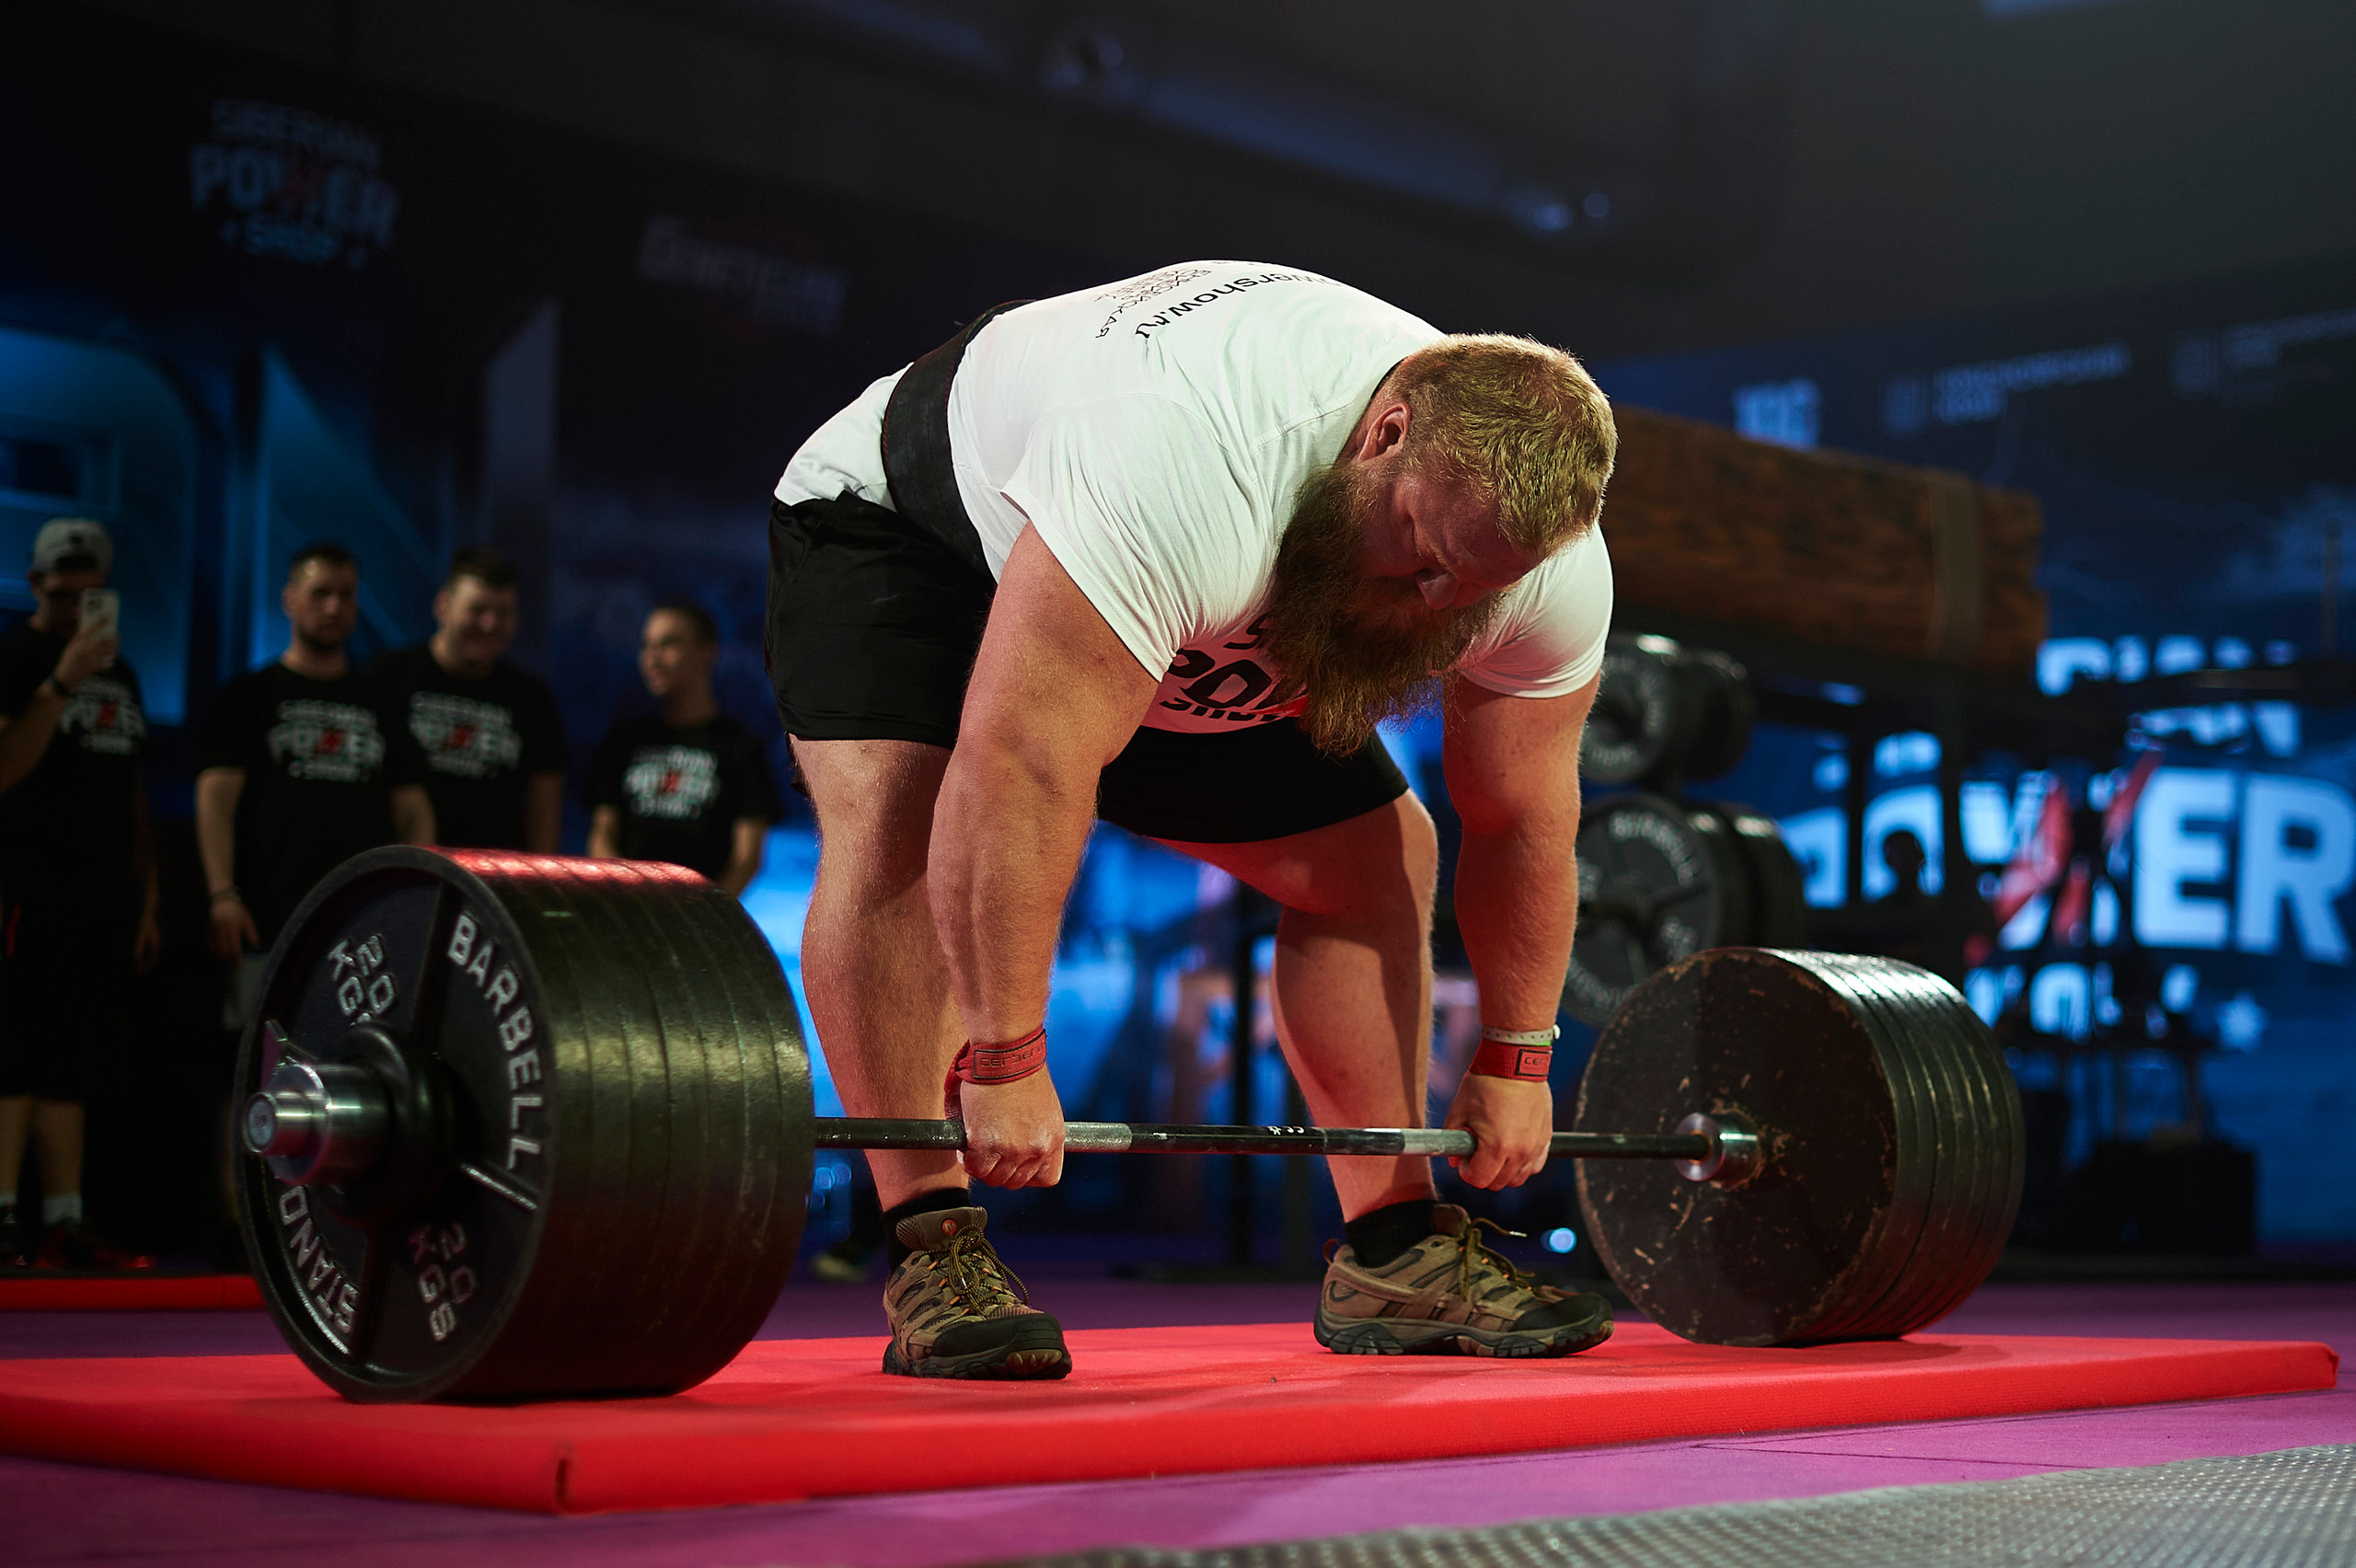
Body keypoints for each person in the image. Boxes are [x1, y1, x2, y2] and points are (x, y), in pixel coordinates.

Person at [768, 262, 1618, 1378]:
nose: (1439, 606)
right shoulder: (1189, 453)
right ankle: (931, 1243)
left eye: (1476, 588)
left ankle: (1397, 1253)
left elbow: (1517, 822)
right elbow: (1023, 762)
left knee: (1373, 857)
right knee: (901, 836)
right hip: (918, 529)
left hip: (1191, 605)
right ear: (1385, 434)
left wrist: (1516, 1055)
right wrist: (1005, 1053)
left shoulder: (1536, 572)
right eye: (1422, 558)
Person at [0, 519, 160, 1270]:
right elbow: (5, 768)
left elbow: (132, 789)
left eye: (93, 596)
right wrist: (61, 679)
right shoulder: (14, 654)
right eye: (65, 595)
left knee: (76, 1061)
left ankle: (65, 1224)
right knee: (15, 1057)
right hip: (25, 887)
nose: (78, 610)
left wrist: (149, 894)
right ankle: (4, 1219)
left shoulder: (122, 676)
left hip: (104, 896)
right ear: (34, 586)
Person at [197, 543, 435, 1019]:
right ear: (289, 599)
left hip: (366, 921)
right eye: (320, 593)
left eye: (345, 595)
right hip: (266, 915)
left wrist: (419, 899)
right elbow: (215, 800)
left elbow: (413, 810)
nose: (333, 607)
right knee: (256, 1063)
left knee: (349, 1064)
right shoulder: (249, 695)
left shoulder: (382, 702)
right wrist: (222, 893)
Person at [370, 548, 565, 851]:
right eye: (477, 610)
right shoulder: (387, 678)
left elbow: (545, 806)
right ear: (443, 605)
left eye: (504, 614)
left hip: (494, 884)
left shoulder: (531, 697)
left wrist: (540, 887)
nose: (490, 624)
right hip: (400, 877)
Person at [586, 600, 780, 895]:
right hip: (628, 909)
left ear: (707, 652)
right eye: (646, 645)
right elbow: (601, 835)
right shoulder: (625, 740)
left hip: (701, 920)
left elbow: (747, 858)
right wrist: (625, 900)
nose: (653, 658)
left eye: (668, 644)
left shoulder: (740, 747)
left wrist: (705, 917)